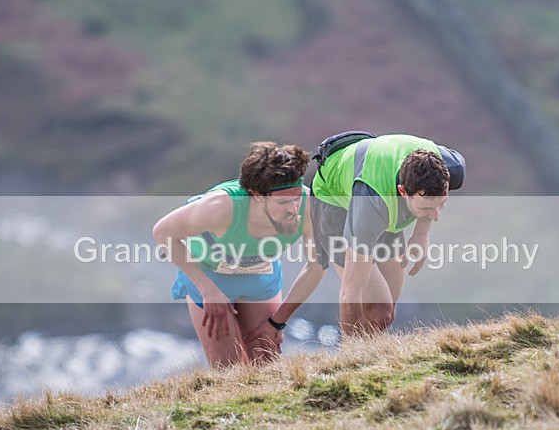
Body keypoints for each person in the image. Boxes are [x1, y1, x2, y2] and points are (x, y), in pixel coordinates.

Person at [257, 132, 466, 337]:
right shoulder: (371, 205)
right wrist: (351, 352)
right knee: (379, 311)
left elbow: (431, 198)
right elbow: (351, 291)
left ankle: (369, 354)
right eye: (426, 208)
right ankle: (351, 353)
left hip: (375, 177)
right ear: (403, 192)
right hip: (334, 200)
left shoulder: (452, 169)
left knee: (386, 313)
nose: (436, 216)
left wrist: (421, 233)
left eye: (441, 204)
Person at [152, 142, 311, 368]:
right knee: (228, 371)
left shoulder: (308, 204)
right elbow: (162, 232)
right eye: (283, 202)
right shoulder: (219, 207)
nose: (294, 209)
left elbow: (317, 265)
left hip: (260, 277)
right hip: (211, 276)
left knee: (267, 365)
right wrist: (208, 290)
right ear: (257, 196)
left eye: (296, 198)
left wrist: (278, 322)